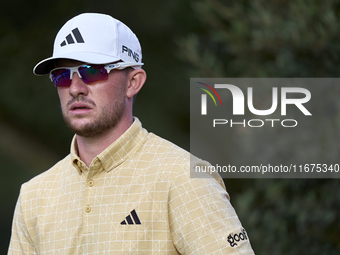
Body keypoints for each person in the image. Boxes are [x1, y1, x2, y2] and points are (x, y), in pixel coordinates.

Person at [8, 13, 254, 254]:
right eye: (62, 76)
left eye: (92, 71)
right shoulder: (35, 196)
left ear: (133, 82)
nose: (75, 88)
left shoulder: (183, 179)